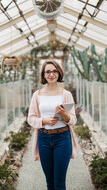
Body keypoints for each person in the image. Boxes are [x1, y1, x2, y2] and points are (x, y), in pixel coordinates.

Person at [28, 60, 77, 190]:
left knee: (59, 182)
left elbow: (73, 119)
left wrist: (64, 115)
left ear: (59, 73)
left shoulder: (66, 94)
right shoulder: (37, 95)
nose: (51, 74)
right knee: (49, 182)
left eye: (54, 71)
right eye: (48, 71)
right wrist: (44, 121)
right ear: (43, 75)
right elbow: (31, 119)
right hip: (43, 139)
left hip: (62, 138)